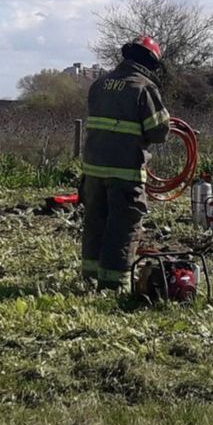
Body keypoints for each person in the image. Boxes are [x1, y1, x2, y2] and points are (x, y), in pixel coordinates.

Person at [79, 35, 171, 289]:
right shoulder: (144, 87)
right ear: (151, 63)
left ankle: (89, 276)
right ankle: (114, 284)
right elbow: (158, 132)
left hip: (93, 171)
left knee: (95, 222)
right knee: (122, 226)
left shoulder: (99, 84)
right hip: (124, 171)